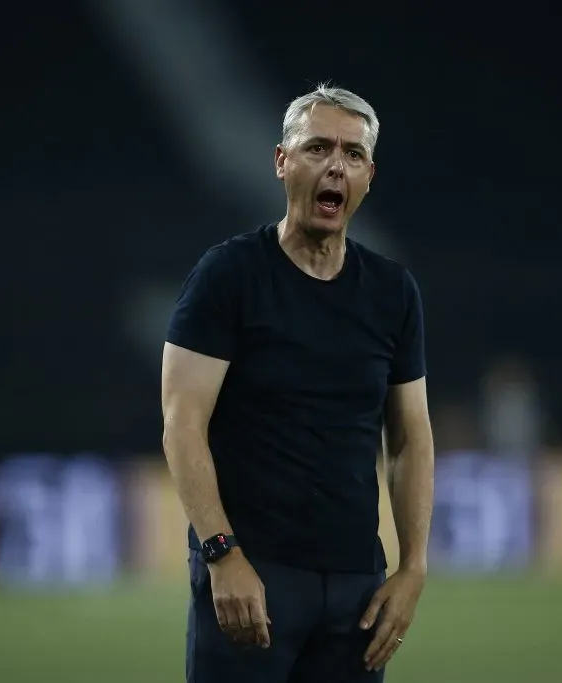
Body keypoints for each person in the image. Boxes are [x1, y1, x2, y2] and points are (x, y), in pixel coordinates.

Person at [161, 84, 435, 683]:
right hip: (251, 578)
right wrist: (220, 554)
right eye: (317, 147)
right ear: (282, 161)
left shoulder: (393, 293)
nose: (335, 165)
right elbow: (182, 424)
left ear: (368, 176)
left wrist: (412, 567)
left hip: (356, 591)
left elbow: (411, 436)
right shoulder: (228, 276)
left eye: (352, 154)